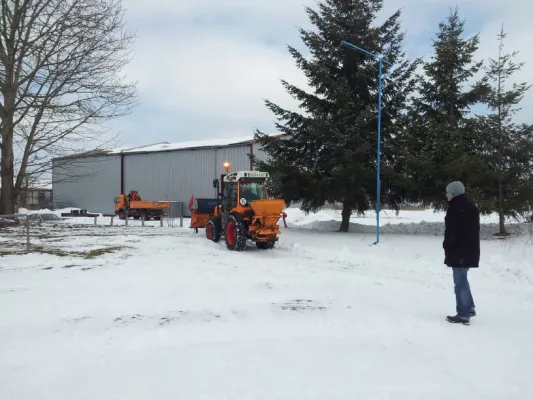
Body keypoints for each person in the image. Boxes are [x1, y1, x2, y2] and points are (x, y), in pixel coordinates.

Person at [443, 181, 480, 325]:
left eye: (448, 192)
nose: (446, 195)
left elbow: (451, 232)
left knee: (460, 282)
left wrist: (447, 246)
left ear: (453, 194)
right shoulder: (470, 206)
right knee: (462, 279)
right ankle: (469, 308)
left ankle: (463, 314)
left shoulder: (455, 209)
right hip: (470, 249)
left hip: (460, 251)